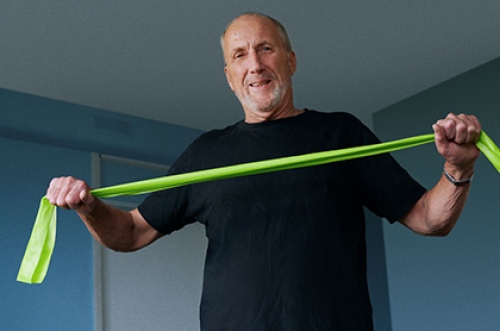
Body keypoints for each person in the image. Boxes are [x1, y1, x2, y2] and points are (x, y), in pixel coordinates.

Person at [47, 12, 481, 331]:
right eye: (239, 55)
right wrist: (88, 207)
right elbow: (130, 232)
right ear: (230, 76)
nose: (254, 63)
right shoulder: (206, 153)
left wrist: (456, 168)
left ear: (290, 61)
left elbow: (429, 219)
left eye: (265, 48)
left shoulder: (341, 133)